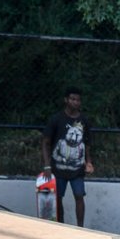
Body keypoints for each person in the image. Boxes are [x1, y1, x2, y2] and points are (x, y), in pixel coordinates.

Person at [42, 86, 94, 227]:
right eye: (72, 99)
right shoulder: (57, 119)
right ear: (66, 100)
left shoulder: (84, 120)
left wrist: (88, 162)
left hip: (77, 169)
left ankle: (80, 228)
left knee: (79, 196)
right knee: (58, 198)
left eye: (78, 100)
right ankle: (61, 227)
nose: (75, 102)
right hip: (58, 169)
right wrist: (47, 165)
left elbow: (87, 143)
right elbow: (46, 143)